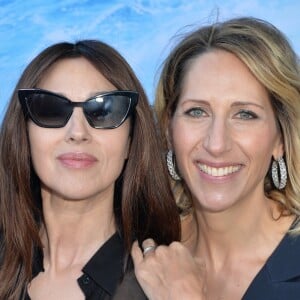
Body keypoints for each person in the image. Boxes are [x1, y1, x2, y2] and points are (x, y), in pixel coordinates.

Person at [131, 17, 300, 299]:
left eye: (245, 114)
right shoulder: (141, 254)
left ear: (280, 139)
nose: (217, 144)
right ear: (168, 129)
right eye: (197, 112)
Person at [0, 40, 180, 300]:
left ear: (131, 140)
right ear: (24, 135)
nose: (78, 133)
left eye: (104, 111)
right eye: (51, 109)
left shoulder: (163, 285)